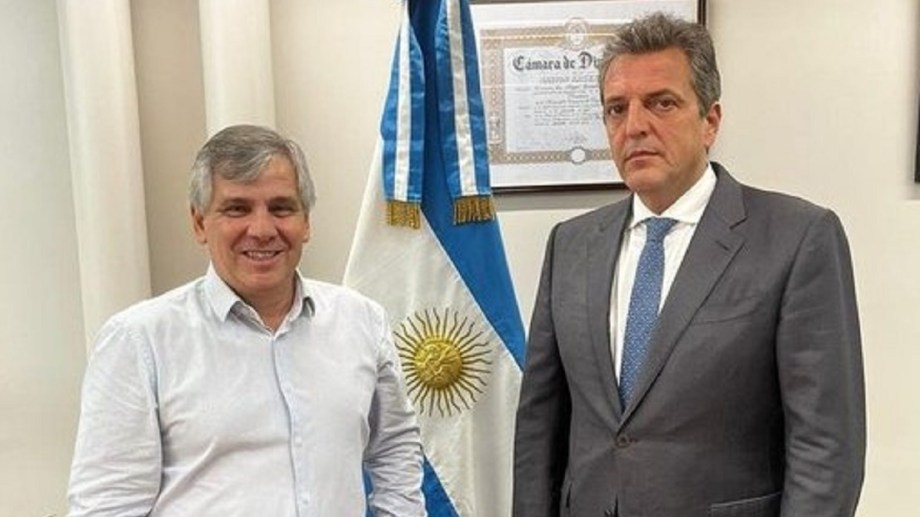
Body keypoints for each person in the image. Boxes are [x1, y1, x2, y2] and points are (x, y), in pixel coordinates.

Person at [512, 13, 865, 517]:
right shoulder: (570, 245)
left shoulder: (797, 238)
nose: (635, 126)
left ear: (710, 121)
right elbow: (539, 428)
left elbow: (827, 450)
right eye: (617, 109)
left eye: (662, 103)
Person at [68, 124, 426, 516]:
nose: (262, 230)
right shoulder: (140, 341)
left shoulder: (362, 321)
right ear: (199, 223)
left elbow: (395, 449)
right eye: (237, 209)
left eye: (281, 208)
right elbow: (107, 505)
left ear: (306, 222)